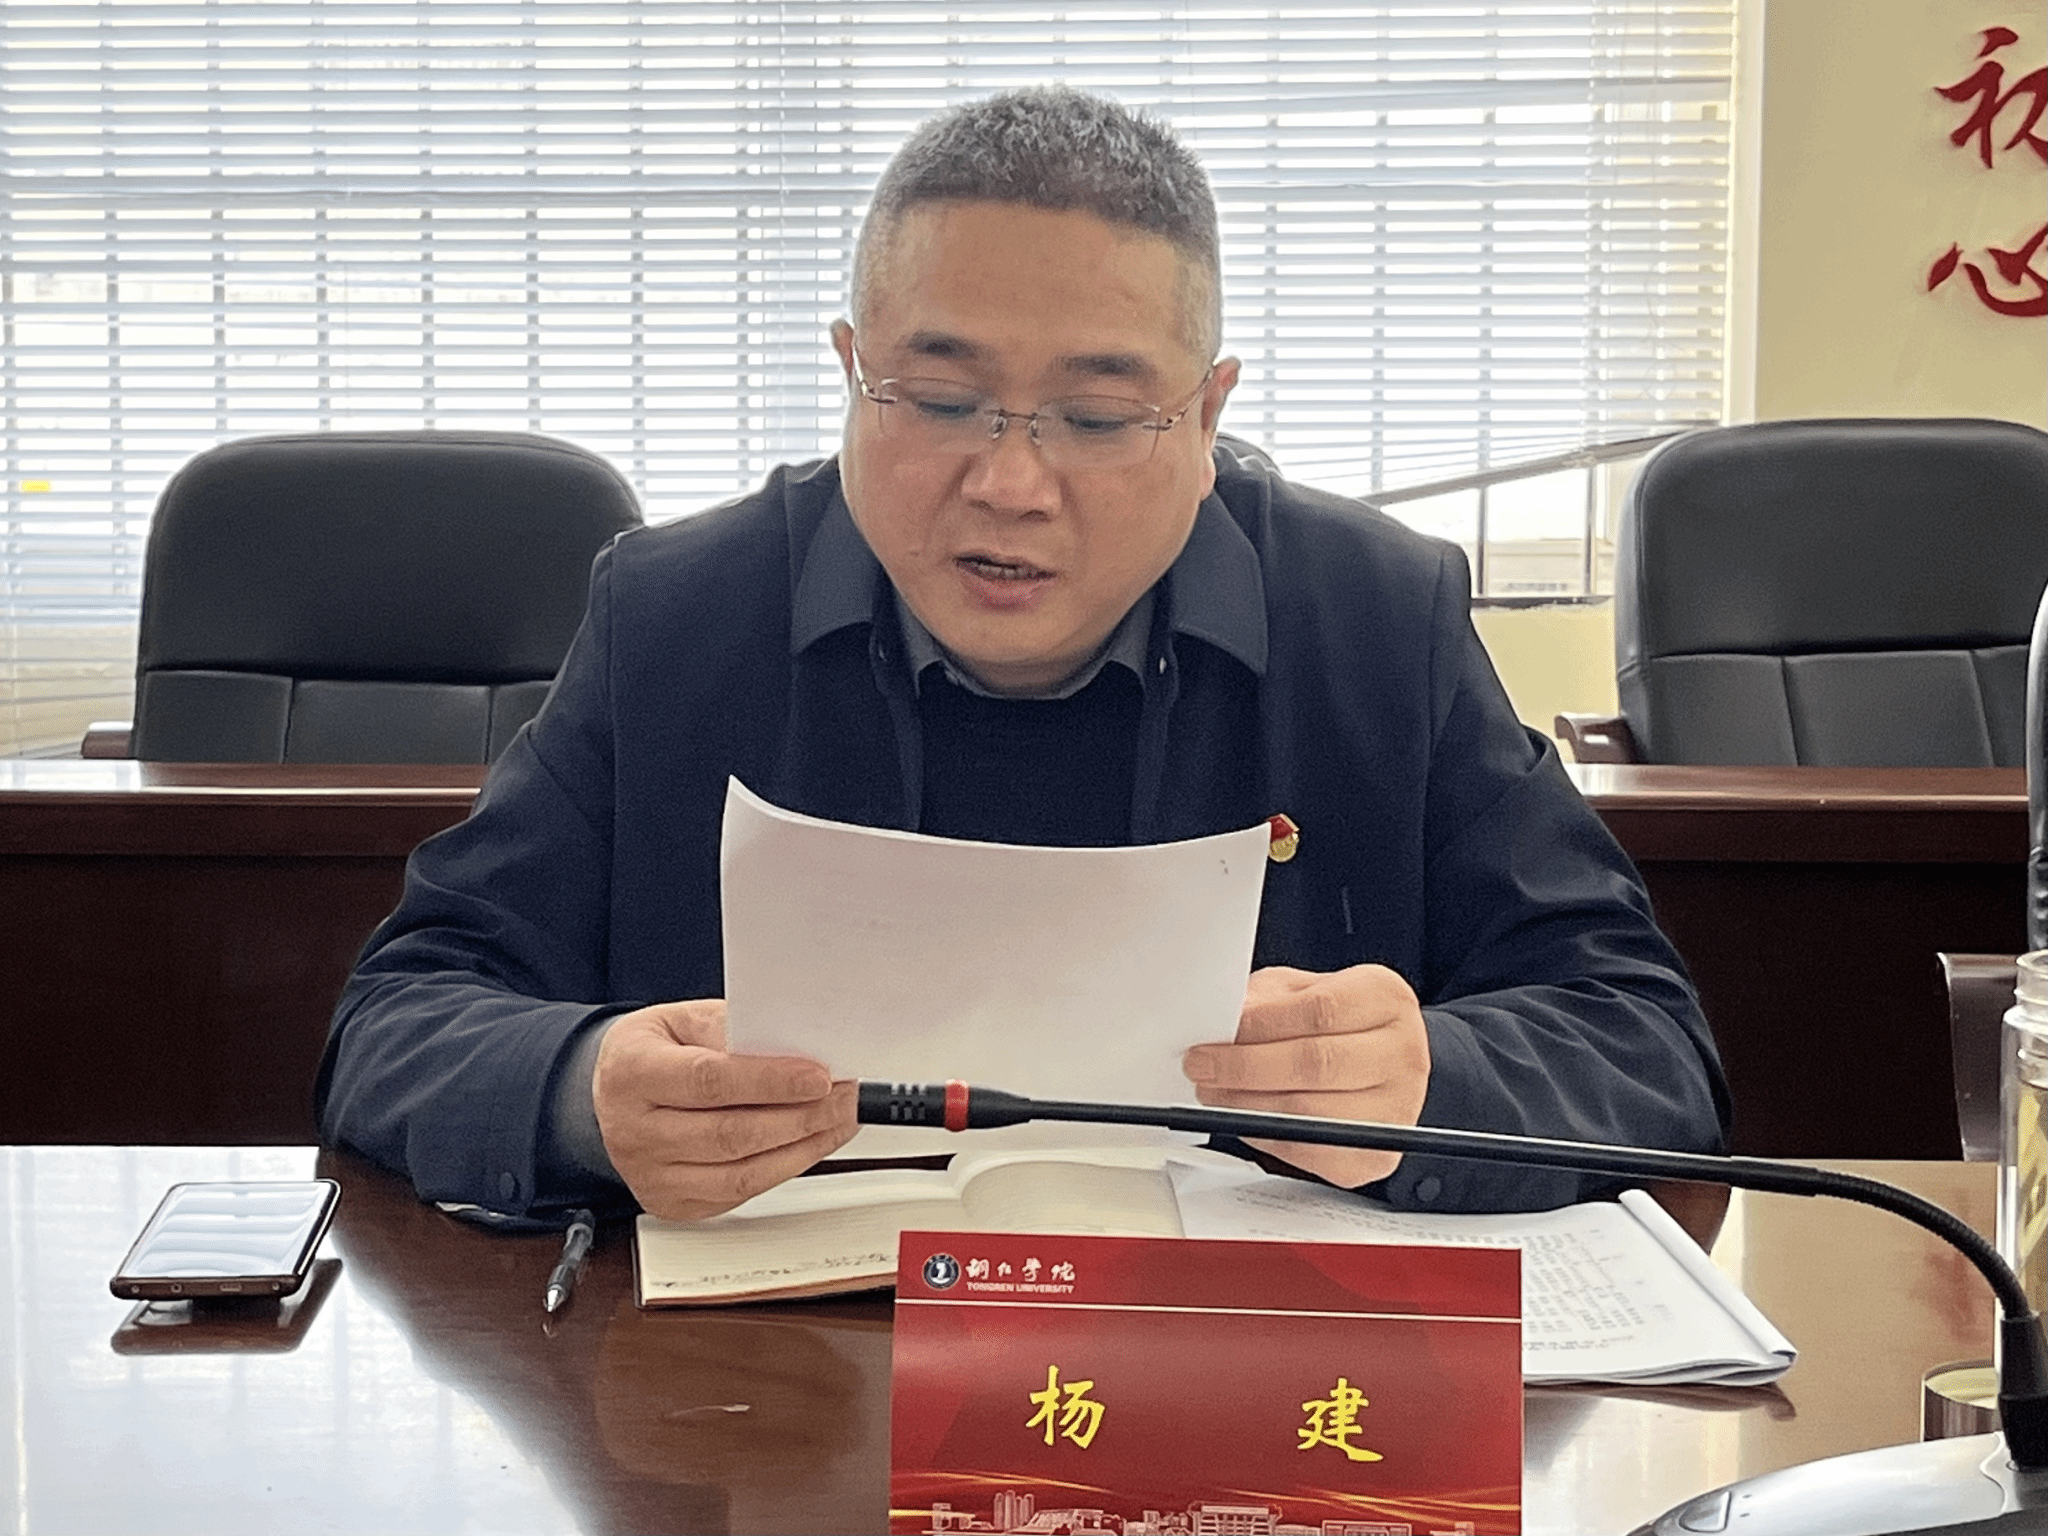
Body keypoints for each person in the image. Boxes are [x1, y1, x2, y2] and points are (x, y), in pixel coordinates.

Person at [316, 87, 1728, 1224]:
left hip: (1219, 1392)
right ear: (852, 370)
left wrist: (1428, 1084)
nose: (1009, 485)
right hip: (771, 1395)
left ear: (1206, 414)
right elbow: (399, 1018)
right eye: (941, 400)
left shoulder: (1373, 621)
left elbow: (1643, 1039)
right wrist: (582, 1094)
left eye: (1098, 420)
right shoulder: (678, 616)